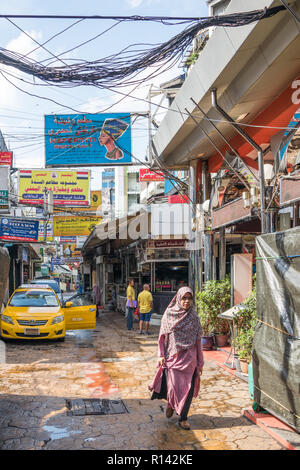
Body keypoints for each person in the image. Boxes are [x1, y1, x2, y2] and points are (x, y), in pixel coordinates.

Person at [149, 286, 204, 431]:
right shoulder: (169, 314)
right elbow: (162, 338)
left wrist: (200, 362)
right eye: (184, 298)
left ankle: (183, 418)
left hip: (190, 361)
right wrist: (161, 355)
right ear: (178, 298)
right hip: (173, 358)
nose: (186, 301)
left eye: (189, 298)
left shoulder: (194, 317)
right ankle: (170, 404)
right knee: (173, 389)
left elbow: (198, 341)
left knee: (188, 390)